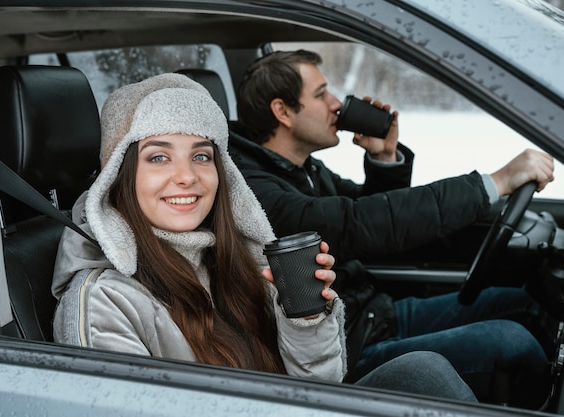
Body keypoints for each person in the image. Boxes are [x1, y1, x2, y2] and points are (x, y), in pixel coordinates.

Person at [50, 72, 477, 402]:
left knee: (425, 370)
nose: (187, 176)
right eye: (159, 157)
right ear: (120, 176)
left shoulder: (235, 261)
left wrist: (305, 321)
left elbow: (319, 389)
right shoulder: (101, 301)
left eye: (202, 155)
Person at [228, 49, 557, 407]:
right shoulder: (253, 187)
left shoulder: (303, 168)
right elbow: (356, 223)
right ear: (283, 111)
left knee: (520, 303)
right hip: (346, 348)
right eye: (321, 94)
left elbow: (376, 222)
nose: (337, 103)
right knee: (512, 342)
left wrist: (384, 159)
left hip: (372, 315)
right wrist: (493, 183)